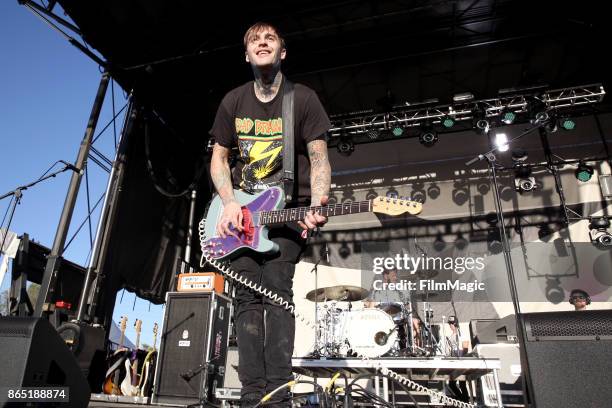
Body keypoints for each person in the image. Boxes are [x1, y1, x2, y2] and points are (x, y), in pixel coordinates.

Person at [209, 22, 331, 407]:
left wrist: (319, 201)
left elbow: (319, 158)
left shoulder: (304, 99)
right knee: (247, 299)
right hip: (239, 215)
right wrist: (229, 201)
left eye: (270, 38)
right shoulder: (233, 101)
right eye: (254, 40)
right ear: (247, 55)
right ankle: (250, 396)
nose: (262, 42)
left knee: (277, 295)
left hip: (286, 215)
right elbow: (219, 159)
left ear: (282, 52)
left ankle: (278, 395)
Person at [364, 269, 421, 350]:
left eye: (396, 276)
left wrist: (414, 317)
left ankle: (410, 348)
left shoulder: (400, 290)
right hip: (381, 323)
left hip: (398, 322)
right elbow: (370, 310)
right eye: (393, 276)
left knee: (415, 324)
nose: (395, 278)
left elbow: (408, 307)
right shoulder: (377, 291)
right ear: (386, 276)